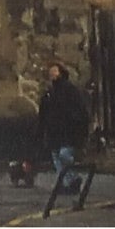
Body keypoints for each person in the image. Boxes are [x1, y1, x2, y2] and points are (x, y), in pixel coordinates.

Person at [36, 62, 90, 193]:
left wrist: (78, 126)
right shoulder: (49, 93)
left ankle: (72, 179)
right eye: (50, 72)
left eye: (54, 71)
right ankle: (67, 183)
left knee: (64, 154)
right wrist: (42, 129)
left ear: (61, 72)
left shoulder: (70, 90)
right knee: (56, 157)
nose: (52, 74)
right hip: (54, 131)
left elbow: (79, 111)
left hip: (67, 131)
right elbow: (44, 112)